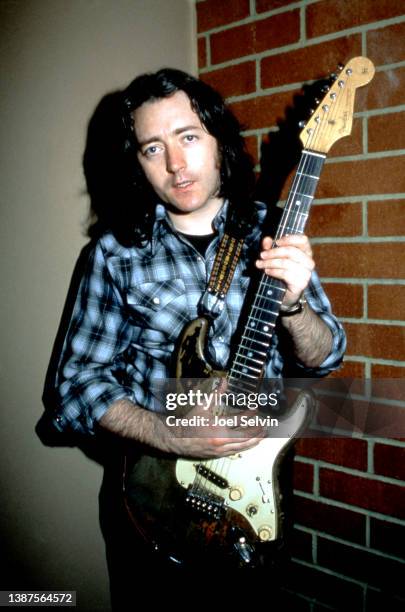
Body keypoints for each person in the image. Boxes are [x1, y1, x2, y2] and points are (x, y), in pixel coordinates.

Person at [39, 68, 345, 602]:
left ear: (217, 139)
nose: (176, 165)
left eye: (187, 137)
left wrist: (293, 306)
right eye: (152, 148)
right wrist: (170, 432)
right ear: (136, 161)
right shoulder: (114, 255)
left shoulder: (272, 231)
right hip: (152, 509)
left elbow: (326, 356)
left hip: (257, 500)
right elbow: (74, 388)